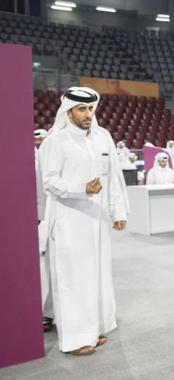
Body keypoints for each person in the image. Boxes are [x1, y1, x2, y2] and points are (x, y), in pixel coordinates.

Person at [40, 87, 129, 356]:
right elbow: (49, 180)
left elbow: (114, 177)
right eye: (82, 109)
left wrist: (118, 212)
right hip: (70, 220)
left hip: (98, 221)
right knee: (74, 277)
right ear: (69, 111)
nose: (88, 114)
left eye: (91, 109)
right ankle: (76, 339)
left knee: (96, 276)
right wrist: (81, 189)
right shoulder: (56, 142)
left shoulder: (103, 138)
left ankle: (92, 329)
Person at [34, 128, 54, 332]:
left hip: (55, 213)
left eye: (42, 137)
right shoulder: (33, 155)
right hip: (41, 216)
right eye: (37, 138)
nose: (40, 140)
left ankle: (50, 312)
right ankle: (44, 313)